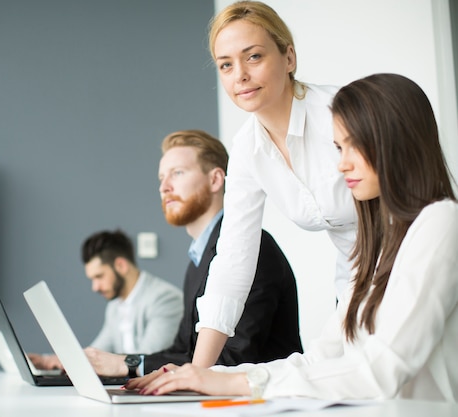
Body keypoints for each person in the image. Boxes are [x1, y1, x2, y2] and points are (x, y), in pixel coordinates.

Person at [127, 73, 458, 402]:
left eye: (353, 145)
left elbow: (381, 371)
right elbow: (322, 359)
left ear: (397, 140)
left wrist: (237, 383)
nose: (342, 165)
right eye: (338, 148)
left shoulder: (440, 223)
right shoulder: (376, 245)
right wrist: (205, 376)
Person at [191, 0, 358, 369]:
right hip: (351, 286)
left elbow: (414, 204)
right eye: (226, 65)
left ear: (289, 57)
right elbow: (233, 260)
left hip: (412, 267)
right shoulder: (248, 150)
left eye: (253, 57)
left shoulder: (344, 111)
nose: (240, 76)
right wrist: (197, 372)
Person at [83, 130, 302, 378]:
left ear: (215, 180)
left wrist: (129, 366)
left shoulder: (251, 248)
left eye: (177, 173)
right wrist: (124, 362)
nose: (164, 187)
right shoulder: (197, 261)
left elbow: (232, 359)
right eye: (161, 178)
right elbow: (184, 352)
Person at [28, 229, 183, 370]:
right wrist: (51, 360)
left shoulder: (165, 299)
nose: (95, 287)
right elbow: (98, 351)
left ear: (121, 265)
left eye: (99, 276)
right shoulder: (115, 306)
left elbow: (148, 360)